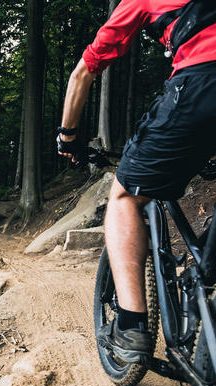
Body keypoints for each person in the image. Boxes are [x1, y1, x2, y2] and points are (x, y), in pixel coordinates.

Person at [58, 0, 216, 363]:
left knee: (124, 198)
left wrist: (67, 136)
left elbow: (84, 72)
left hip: (200, 84)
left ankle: (131, 327)